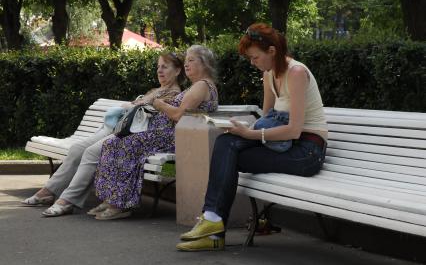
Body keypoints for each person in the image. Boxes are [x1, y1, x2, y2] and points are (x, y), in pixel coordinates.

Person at [176, 23, 328, 251]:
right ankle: (212, 222)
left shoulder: (296, 73)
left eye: (255, 57)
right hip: (283, 145)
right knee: (226, 143)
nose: (252, 62)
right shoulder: (269, 74)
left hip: (306, 152)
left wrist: (249, 134)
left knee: (228, 150)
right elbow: (265, 118)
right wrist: (239, 129)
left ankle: (213, 227)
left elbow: (294, 130)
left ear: (272, 52)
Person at [21, 52, 185, 217]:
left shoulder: (174, 95)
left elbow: (153, 120)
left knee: (92, 152)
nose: (159, 70)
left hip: (133, 132)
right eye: (158, 67)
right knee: (77, 148)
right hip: (118, 127)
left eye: (165, 67)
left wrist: (135, 105)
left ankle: (67, 200)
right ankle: (48, 191)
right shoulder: (158, 90)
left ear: (177, 71)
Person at [90, 45, 219, 220]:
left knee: (124, 144)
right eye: (186, 60)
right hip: (165, 135)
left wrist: (159, 104)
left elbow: (178, 115)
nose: (187, 64)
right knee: (112, 143)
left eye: (191, 60)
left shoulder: (202, 86)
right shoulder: (198, 86)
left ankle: (120, 203)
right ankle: (110, 198)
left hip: (173, 138)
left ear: (204, 64)